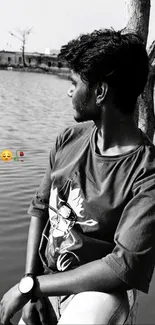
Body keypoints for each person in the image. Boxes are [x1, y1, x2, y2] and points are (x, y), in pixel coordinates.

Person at [0, 28, 155, 325]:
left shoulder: (146, 172)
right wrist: (32, 285)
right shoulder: (67, 140)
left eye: (73, 82)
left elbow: (123, 267)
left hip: (97, 294)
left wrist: (31, 288)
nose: (69, 91)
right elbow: (40, 209)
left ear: (100, 92)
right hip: (44, 285)